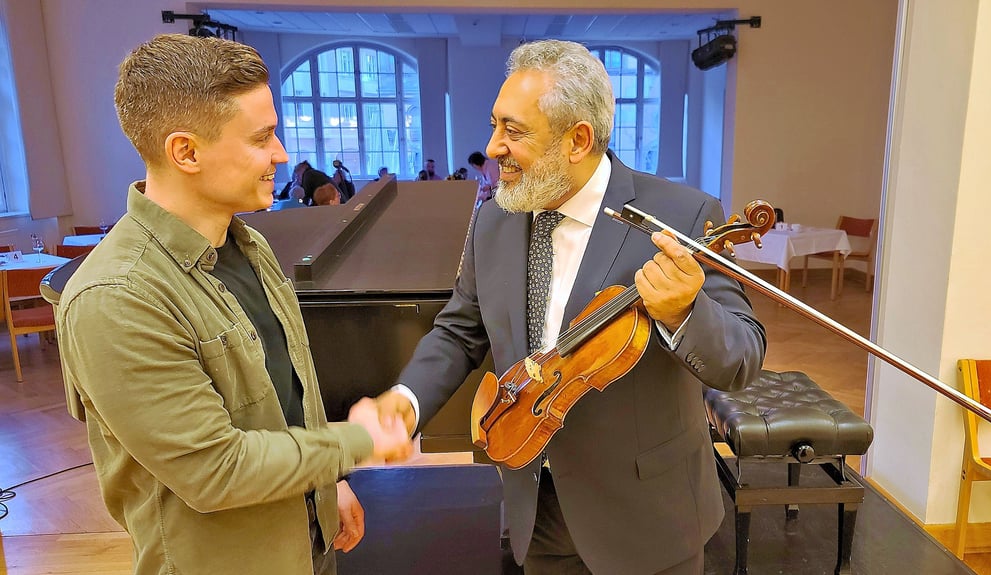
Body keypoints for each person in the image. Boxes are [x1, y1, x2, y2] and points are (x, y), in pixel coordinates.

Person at [376, 40, 766, 575]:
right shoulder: (494, 219)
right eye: (495, 125)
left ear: (578, 139)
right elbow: (460, 330)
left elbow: (741, 359)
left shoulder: (682, 214)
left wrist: (684, 312)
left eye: (514, 132)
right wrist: (408, 398)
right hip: (534, 507)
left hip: (646, 518)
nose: (493, 147)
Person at [53, 34, 413, 575]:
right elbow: (215, 468)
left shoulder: (249, 244)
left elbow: (288, 395)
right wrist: (357, 443)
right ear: (186, 152)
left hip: (306, 546)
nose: (282, 154)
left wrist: (328, 483)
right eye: (261, 137)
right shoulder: (117, 297)